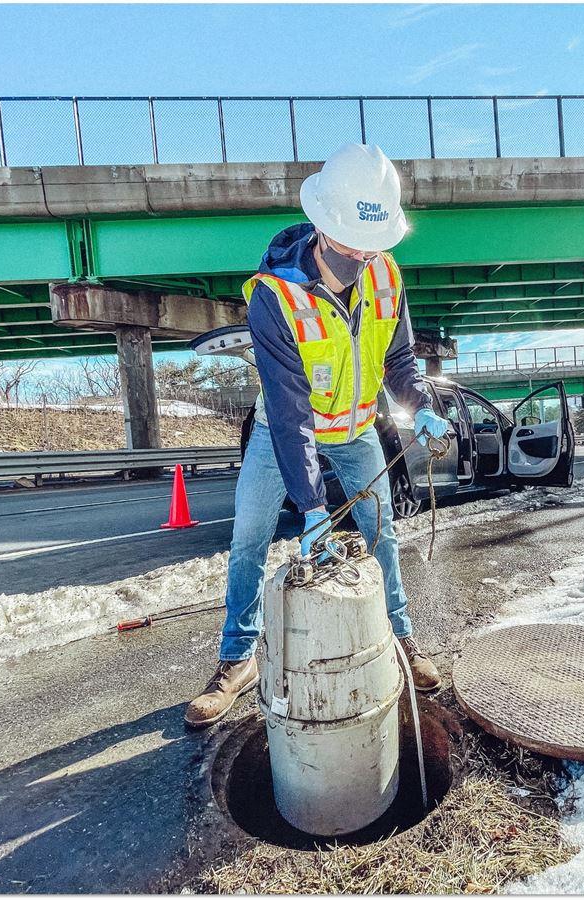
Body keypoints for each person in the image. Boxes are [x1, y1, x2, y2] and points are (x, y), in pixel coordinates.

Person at [185, 143, 450, 728]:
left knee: (383, 534)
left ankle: (400, 638)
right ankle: (237, 658)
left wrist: (419, 404)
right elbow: (290, 414)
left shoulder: (386, 275)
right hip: (283, 434)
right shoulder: (275, 299)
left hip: (356, 431)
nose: (365, 255)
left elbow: (399, 359)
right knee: (250, 537)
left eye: (374, 244)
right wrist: (312, 507)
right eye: (354, 241)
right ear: (323, 225)